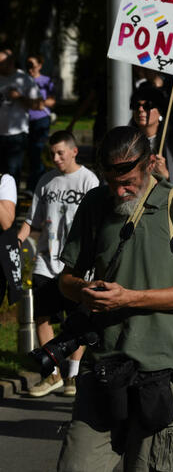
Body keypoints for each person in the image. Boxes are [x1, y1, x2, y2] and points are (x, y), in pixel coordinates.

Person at [55, 125, 173, 471]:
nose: (120, 190)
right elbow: (66, 279)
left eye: (128, 181)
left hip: (161, 370)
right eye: (112, 182)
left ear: (149, 164)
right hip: (102, 368)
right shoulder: (95, 203)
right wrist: (83, 291)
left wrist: (128, 298)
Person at [17, 131, 99, 398]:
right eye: (52, 153)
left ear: (74, 151)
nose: (55, 158)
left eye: (60, 153)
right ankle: (52, 373)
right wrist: (16, 241)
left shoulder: (88, 180)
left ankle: (72, 375)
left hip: (76, 264)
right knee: (42, 316)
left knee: (77, 320)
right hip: (46, 259)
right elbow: (32, 220)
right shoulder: (46, 181)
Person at [0, 47, 41, 185]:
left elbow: (38, 105)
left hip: (16, 134)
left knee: (12, 173)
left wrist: (19, 97)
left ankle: (11, 199)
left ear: (11, 62)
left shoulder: (24, 79)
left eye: (1, 63)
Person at [26, 54, 56, 192]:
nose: (29, 69)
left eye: (32, 65)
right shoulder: (23, 80)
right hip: (24, 121)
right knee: (28, 154)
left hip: (41, 120)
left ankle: (36, 187)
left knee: (37, 152)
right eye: (27, 65)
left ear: (39, 65)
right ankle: (32, 186)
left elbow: (52, 101)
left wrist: (38, 103)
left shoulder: (46, 81)